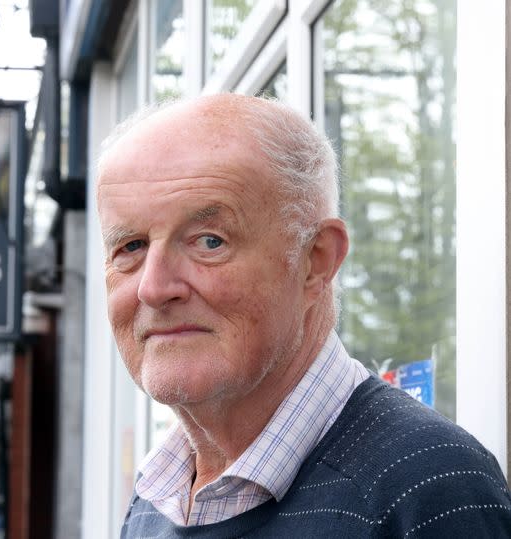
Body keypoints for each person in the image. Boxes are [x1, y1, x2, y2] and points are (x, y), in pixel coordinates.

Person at [95, 94, 511, 538]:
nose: (154, 288)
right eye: (130, 247)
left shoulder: (430, 490)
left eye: (209, 241)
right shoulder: (155, 501)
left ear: (315, 260)